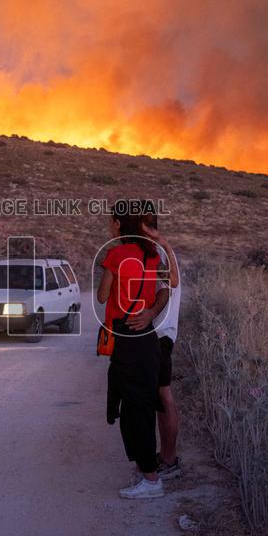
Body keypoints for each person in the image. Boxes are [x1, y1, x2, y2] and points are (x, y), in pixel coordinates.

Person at [97, 203, 164, 499]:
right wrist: (150, 311)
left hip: (126, 338)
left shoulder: (115, 255)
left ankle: (151, 480)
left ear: (119, 224)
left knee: (134, 408)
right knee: (142, 405)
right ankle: (145, 471)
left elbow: (101, 296)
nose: (109, 225)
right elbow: (164, 290)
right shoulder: (152, 255)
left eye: (111, 221)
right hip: (147, 337)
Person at [128, 219, 182, 479]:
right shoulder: (159, 251)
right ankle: (166, 458)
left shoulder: (158, 252)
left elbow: (165, 288)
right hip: (161, 332)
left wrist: (149, 314)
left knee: (162, 396)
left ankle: (168, 462)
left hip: (159, 334)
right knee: (161, 397)